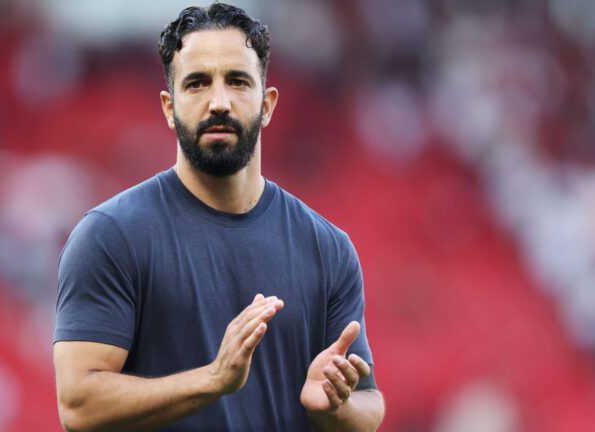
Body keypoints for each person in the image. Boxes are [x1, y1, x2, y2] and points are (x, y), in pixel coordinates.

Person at [53, 3, 385, 431]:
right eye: (197, 83)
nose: (219, 102)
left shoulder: (327, 248)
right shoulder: (111, 237)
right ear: (169, 107)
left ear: (267, 104)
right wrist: (213, 379)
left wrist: (335, 407)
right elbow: (79, 406)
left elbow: (368, 405)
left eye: (238, 81)